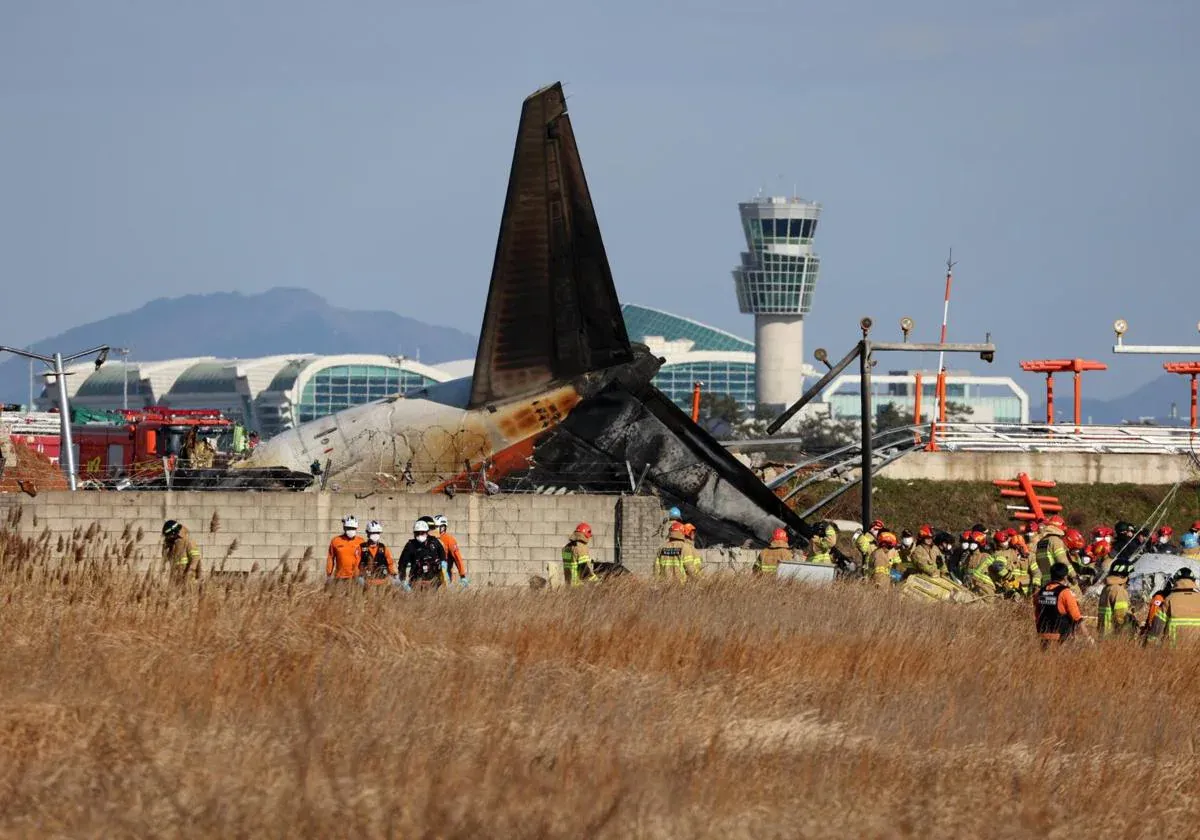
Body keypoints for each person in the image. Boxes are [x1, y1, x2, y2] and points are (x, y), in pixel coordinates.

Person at [1034, 562, 1093, 648]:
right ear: (1065, 577)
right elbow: (1076, 618)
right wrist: (1088, 637)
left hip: (1043, 636)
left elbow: (1037, 614)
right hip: (1061, 638)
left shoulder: (1040, 592)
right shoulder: (1065, 592)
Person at [1145, 568, 1200, 646]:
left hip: (1173, 649)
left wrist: (1149, 644)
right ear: (1193, 581)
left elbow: (1157, 626)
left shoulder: (1169, 599)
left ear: (1175, 581)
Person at [401, 520, 447, 590]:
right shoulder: (410, 545)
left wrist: (444, 571)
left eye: (422, 533)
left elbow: (443, 556)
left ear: (427, 532)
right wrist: (403, 580)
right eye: (417, 533)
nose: (420, 535)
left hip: (434, 582)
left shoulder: (434, 542)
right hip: (416, 582)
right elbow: (402, 564)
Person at [1097, 566, 1137, 638]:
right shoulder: (1118, 590)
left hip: (1104, 632)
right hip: (1114, 635)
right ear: (1124, 576)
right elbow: (1121, 617)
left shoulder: (1107, 588)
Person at [432, 513, 469, 587]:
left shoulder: (449, 539)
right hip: (432, 573)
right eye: (434, 527)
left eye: (436, 527)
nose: (434, 529)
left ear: (443, 527)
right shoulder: (431, 539)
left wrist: (462, 575)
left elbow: (457, 558)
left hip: (445, 573)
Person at [326, 515, 365, 583]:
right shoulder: (336, 541)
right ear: (344, 527)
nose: (351, 530)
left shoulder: (361, 541)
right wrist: (329, 574)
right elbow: (330, 558)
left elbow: (366, 559)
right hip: (340, 577)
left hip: (357, 577)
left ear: (356, 528)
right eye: (349, 528)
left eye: (353, 528)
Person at [358, 520, 397, 586]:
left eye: (377, 533)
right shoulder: (361, 547)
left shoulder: (383, 547)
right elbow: (356, 564)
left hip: (383, 581)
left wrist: (393, 573)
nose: (375, 535)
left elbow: (390, 563)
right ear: (367, 533)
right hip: (367, 582)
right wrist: (359, 575)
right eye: (373, 533)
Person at [1035, 515, 1070, 587]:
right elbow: (1062, 561)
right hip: (1056, 580)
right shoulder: (1055, 540)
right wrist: (1073, 575)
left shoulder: (1041, 542)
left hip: (1045, 581)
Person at [561, 522, 599, 587]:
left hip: (568, 584)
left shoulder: (567, 548)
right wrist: (597, 580)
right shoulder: (581, 547)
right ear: (586, 535)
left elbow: (573, 563)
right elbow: (584, 570)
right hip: (579, 586)